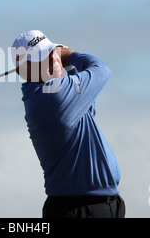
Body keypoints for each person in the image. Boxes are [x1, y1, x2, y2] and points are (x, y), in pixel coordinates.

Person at [11, 30, 125, 218]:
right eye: (45, 56)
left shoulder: (48, 94)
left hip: (105, 205)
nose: (53, 58)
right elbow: (102, 70)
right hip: (78, 208)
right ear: (27, 69)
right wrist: (70, 55)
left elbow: (89, 109)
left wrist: (70, 68)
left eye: (52, 53)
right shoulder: (52, 96)